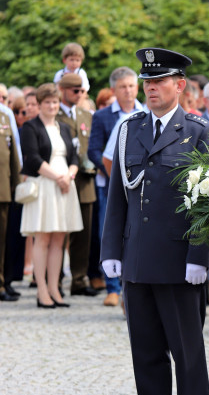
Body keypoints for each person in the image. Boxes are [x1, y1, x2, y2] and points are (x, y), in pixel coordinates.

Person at [101, 47, 209, 395]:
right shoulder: (131, 129)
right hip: (137, 256)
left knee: (186, 350)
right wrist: (112, 248)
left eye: (159, 81)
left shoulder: (199, 131)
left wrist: (199, 257)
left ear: (179, 85)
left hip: (179, 260)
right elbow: (118, 195)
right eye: (147, 82)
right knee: (145, 348)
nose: (151, 88)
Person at [19, 83, 83, 308]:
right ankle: (42, 291)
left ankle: (55, 289)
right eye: (47, 102)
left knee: (59, 239)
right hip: (46, 184)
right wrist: (59, 178)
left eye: (55, 102)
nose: (52, 106)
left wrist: (69, 176)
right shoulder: (30, 127)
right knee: (43, 238)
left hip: (65, 185)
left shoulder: (64, 128)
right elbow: (33, 158)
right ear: (40, 104)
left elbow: (75, 157)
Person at [88, 66, 143, 307]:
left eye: (132, 86)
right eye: (123, 87)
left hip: (140, 187)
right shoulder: (102, 116)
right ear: (114, 90)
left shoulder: (146, 111)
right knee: (108, 233)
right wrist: (116, 177)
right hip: (109, 184)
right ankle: (112, 286)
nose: (128, 91)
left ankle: (130, 285)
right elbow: (95, 151)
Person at [57, 73, 98, 297]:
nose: (79, 94)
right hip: (61, 178)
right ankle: (55, 280)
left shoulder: (86, 114)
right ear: (62, 90)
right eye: (75, 91)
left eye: (82, 91)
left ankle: (79, 280)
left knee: (84, 233)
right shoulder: (55, 113)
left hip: (84, 180)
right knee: (60, 231)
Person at [0, 100, 21, 302]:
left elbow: (13, 152)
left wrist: (16, 183)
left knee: (3, 239)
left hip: (3, 189)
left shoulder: (4, 116)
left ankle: (2, 282)